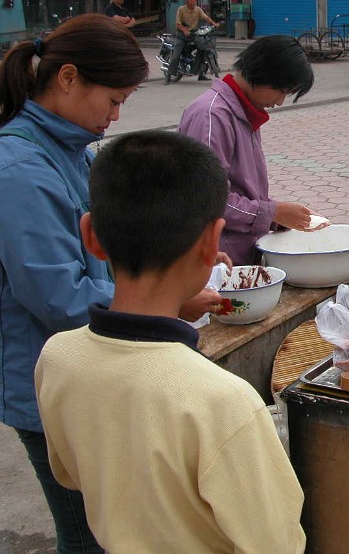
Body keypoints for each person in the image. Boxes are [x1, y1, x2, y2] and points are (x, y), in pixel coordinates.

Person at [0, 15, 224, 553]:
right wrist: (164, 301)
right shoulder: (20, 169)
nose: (116, 116)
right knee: (88, 535)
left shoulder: (74, 148)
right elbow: (58, 297)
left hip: (98, 369)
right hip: (50, 383)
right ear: (69, 78)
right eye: (114, 100)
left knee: (115, 525)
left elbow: (110, 255)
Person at [34, 131, 306, 553]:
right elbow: (277, 542)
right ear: (212, 242)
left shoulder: (55, 358)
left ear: (91, 236)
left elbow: (70, 473)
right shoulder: (222, 400)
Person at [179, 35, 316, 264]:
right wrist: (273, 212)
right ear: (262, 73)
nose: (280, 101)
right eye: (281, 91)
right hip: (214, 264)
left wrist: (278, 216)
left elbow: (241, 190)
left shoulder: (243, 112)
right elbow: (209, 201)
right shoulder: (212, 116)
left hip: (240, 253)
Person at [165, 0, 219, 83]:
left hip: (194, 34)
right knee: (176, 54)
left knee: (203, 48)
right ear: (187, 0)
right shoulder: (181, 9)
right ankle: (169, 76)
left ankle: (201, 73)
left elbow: (206, 18)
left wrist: (214, 24)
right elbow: (178, 24)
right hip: (182, 35)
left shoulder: (198, 10)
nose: (193, 0)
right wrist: (184, 30)